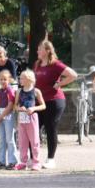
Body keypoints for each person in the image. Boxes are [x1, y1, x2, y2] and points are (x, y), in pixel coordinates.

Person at [33, 40, 78, 169]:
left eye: (40, 49)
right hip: (39, 101)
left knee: (50, 128)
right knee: (34, 128)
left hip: (54, 101)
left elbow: (73, 75)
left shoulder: (56, 65)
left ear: (47, 51)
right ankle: (33, 158)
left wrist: (60, 84)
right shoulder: (37, 64)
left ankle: (50, 159)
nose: (37, 51)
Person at [1, 70, 46, 171]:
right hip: (22, 119)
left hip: (32, 118)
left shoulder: (36, 91)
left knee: (34, 141)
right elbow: (15, 105)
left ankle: (36, 162)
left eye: (22, 78)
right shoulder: (19, 91)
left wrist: (33, 109)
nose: (20, 80)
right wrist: (19, 108)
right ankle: (23, 162)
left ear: (29, 79)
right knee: (22, 141)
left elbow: (43, 105)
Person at [0, 70, 18, 169]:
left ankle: (13, 161)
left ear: (9, 80)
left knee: (10, 139)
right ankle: (1, 161)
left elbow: (10, 105)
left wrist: (0, 117)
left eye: (5, 79)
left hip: (7, 115)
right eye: (1, 79)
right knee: (1, 140)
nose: (3, 81)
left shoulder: (10, 90)